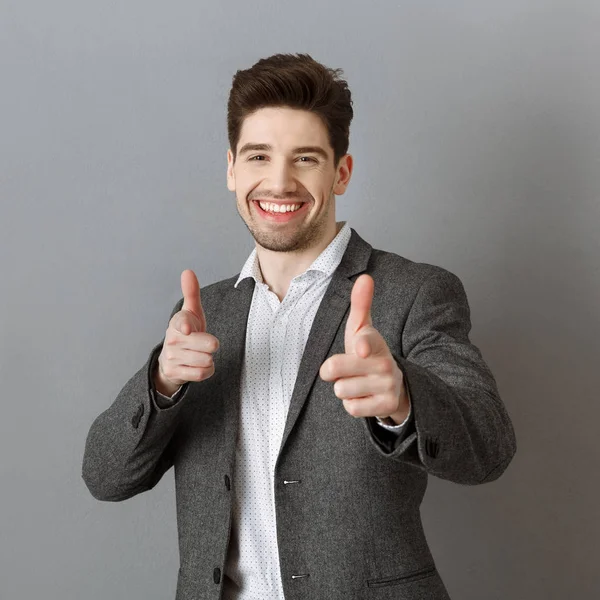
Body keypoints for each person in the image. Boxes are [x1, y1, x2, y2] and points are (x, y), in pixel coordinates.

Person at [82, 53, 516, 600]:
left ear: (341, 172)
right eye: (258, 156)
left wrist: (405, 399)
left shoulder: (415, 293)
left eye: (305, 158)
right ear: (231, 170)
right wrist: (162, 384)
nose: (279, 182)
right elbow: (105, 476)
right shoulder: (201, 315)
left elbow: (491, 448)